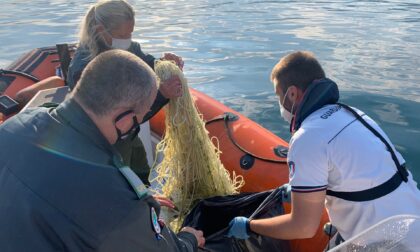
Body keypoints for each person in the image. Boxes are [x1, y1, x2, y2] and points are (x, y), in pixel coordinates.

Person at [0, 50, 204, 251]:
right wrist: (188, 239)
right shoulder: (111, 191)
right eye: (138, 120)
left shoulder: (14, 125)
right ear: (123, 118)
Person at [227, 51, 420, 246]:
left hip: (389, 244)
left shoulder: (307, 138)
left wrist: (250, 226)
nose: (280, 104)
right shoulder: (352, 114)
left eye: (279, 95)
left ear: (292, 94)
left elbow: (303, 227)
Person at [67, 0, 184, 184]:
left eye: (130, 33)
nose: (128, 39)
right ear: (100, 30)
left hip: (129, 138)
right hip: (104, 146)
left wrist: (164, 64)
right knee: (122, 188)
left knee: (142, 179)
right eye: (122, 34)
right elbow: (119, 120)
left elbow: (146, 64)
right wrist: (162, 95)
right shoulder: (85, 68)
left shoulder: (129, 48)